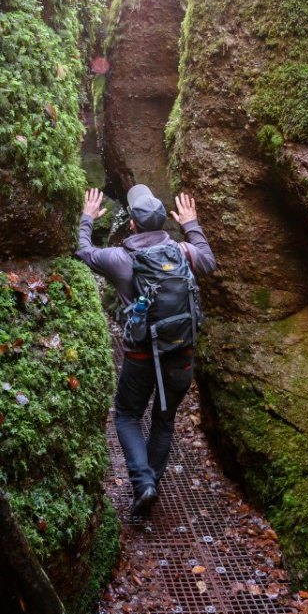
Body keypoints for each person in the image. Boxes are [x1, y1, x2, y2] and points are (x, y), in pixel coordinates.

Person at [76, 185, 217, 517]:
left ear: (132, 225)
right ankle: (147, 492)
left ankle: (144, 485)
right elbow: (208, 262)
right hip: (182, 352)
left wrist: (86, 217)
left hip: (140, 355)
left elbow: (83, 251)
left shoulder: (120, 259)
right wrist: (192, 223)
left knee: (127, 416)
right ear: (162, 224)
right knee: (164, 420)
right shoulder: (183, 252)